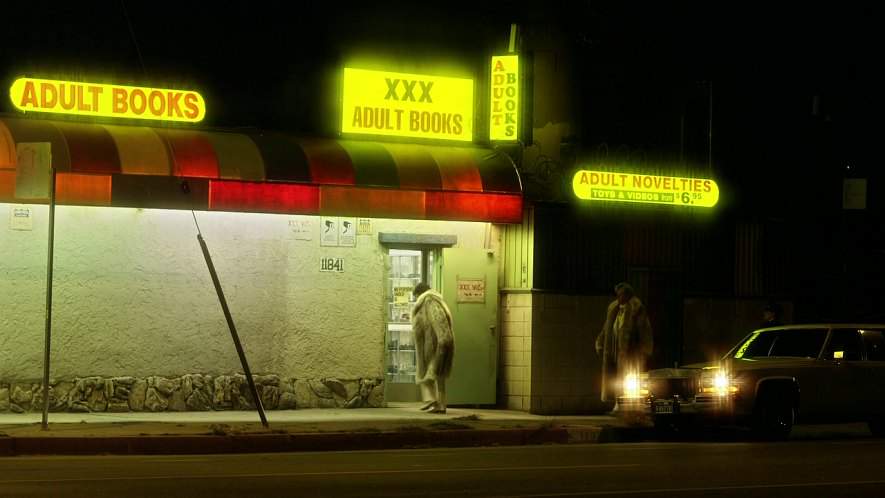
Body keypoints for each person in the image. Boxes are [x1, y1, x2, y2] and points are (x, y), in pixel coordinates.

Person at [595, 282, 653, 403]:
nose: (619, 297)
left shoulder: (635, 308)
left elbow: (644, 330)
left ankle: (628, 404)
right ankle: (617, 402)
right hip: (614, 349)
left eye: (621, 295)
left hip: (630, 351)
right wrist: (600, 342)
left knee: (628, 378)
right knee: (615, 377)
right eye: (618, 295)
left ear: (627, 295)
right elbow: (606, 328)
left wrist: (645, 349)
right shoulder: (614, 308)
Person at [411, 282, 454, 414]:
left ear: (419, 293)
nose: (416, 298)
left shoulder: (429, 301)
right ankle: (440, 405)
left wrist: (443, 341)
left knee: (429, 374)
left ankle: (433, 401)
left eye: (416, 295)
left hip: (433, 345)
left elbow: (438, 320)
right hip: (436, 343)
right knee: (437, 375)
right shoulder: (433, 300)